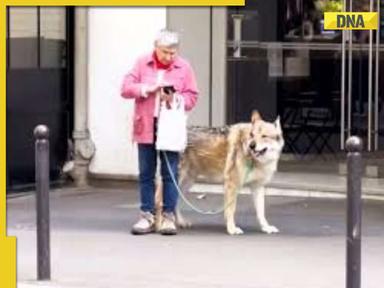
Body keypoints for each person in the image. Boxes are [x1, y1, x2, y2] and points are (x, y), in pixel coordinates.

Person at [120, 29, 199, 235]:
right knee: (146, 172)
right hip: (146, 124)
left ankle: (168, 216)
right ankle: (147, 215)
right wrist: (148, 88)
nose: (169, 57)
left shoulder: (184, 67)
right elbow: (126, 88)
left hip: (170, 127)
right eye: (165, 52)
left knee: (170, 173)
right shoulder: (141, 62)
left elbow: (192, 97)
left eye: (173, 53)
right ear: (156, 48)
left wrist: (174, 98)